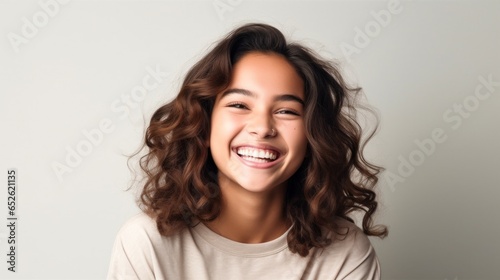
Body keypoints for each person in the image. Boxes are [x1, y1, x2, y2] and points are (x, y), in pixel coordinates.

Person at [107, 23, 387, 280]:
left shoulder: (346, 252)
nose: (262, 127)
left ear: (312, 136)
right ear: (204, 126)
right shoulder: (146, 242)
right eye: (239, 105)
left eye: (286, 111)